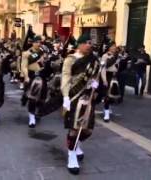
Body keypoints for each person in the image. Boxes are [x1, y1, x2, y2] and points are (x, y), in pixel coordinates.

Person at [61, 33, 101, 175]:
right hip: (74, 96)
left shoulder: (94, 60)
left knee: (88, 129)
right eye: (87, 42)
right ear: (80, 44)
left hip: (88, 97)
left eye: (91, 42)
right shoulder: (70, 59)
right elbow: (65, 77)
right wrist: (66, 96)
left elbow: (96, 74)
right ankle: (72, 156)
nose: (89, 45)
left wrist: (96, 83)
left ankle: (77, 144)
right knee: (74, 128)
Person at [21, 36, 45, 128]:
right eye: (37, 42)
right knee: (32, 97)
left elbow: (43, 64)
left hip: (42, 76)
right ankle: (31, 117)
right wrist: (26, 77)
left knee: (42, 97)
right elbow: (24, 66)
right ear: (33, 43)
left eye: (40, 42)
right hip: (31, 76)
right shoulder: (26, 53)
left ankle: (37, 111)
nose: (38, 44)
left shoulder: (42, 52)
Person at [100, 42, 119, 122]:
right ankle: (106, 114)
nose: (114, 48)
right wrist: (104, 80)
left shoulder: (117, 56)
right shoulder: (105, 56)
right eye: (112, 46)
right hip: (108, 76)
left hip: (115, 77)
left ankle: (107, 108)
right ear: (109, 47)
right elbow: (104, 68)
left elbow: (119, 67)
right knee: (107, 96)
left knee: (113, 95)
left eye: (115, 46)